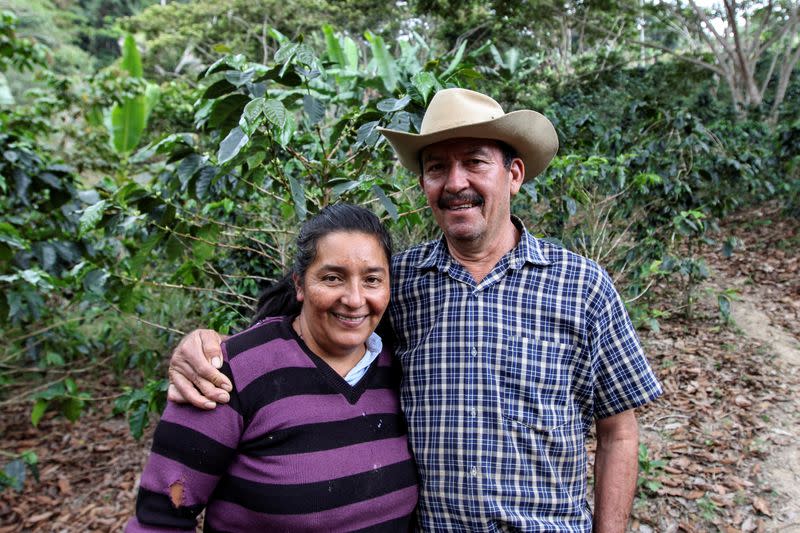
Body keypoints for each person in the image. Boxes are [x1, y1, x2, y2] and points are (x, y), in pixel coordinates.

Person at [167, 88, 663, 532]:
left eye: (475, 161)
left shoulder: (581, 285)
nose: (455, 182)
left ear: (514, 174)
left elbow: (618, 431)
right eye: (436, 167)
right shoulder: (395, 284)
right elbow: (305, 337)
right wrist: (208, 346)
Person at [127, 204, 418, 532]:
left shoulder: (402, 370)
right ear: (300, 285)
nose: (354, 298)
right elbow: (159, 518)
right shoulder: (227, 374)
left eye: (371, 280)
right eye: (333, 277)